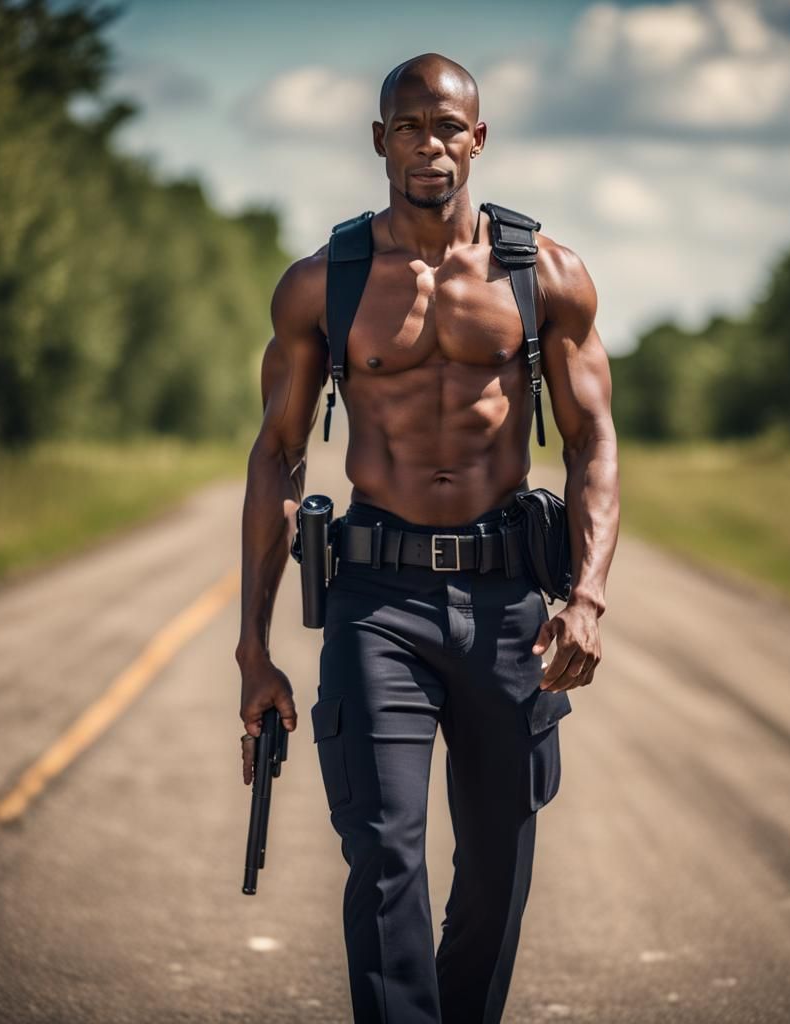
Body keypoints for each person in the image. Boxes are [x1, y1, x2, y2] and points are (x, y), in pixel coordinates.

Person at [235, 52, 619, 1024]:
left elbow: (590, 443)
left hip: (506, 603)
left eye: (449, 128)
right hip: (379, 602)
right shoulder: (326, 283)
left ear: (478, 139)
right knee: (384, 854)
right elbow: (278, 457)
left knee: (496, 868)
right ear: (380, 140)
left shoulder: (547, 278)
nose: (430, 146)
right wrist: (253, 648)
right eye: (409, 127)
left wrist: (587, 596)